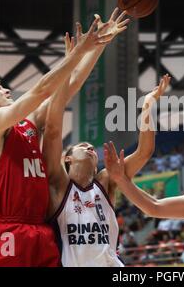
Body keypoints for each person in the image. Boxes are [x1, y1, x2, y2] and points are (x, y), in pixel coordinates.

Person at [0, 14, 123, 267]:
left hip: (42, 228)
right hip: (11, 230)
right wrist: (75, 54)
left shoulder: (28, 124)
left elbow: (68, 88)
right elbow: (40, 91)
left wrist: (99, 44)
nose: (5, 90)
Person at [42, 69, 170, 266]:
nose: (90, 147)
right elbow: (52, 132)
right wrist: (69, 67)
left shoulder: (105, 181)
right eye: (82, 146)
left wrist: (147, 104)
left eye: (92, 147)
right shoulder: (60, 186)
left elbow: (145, 151)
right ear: (67, 159)